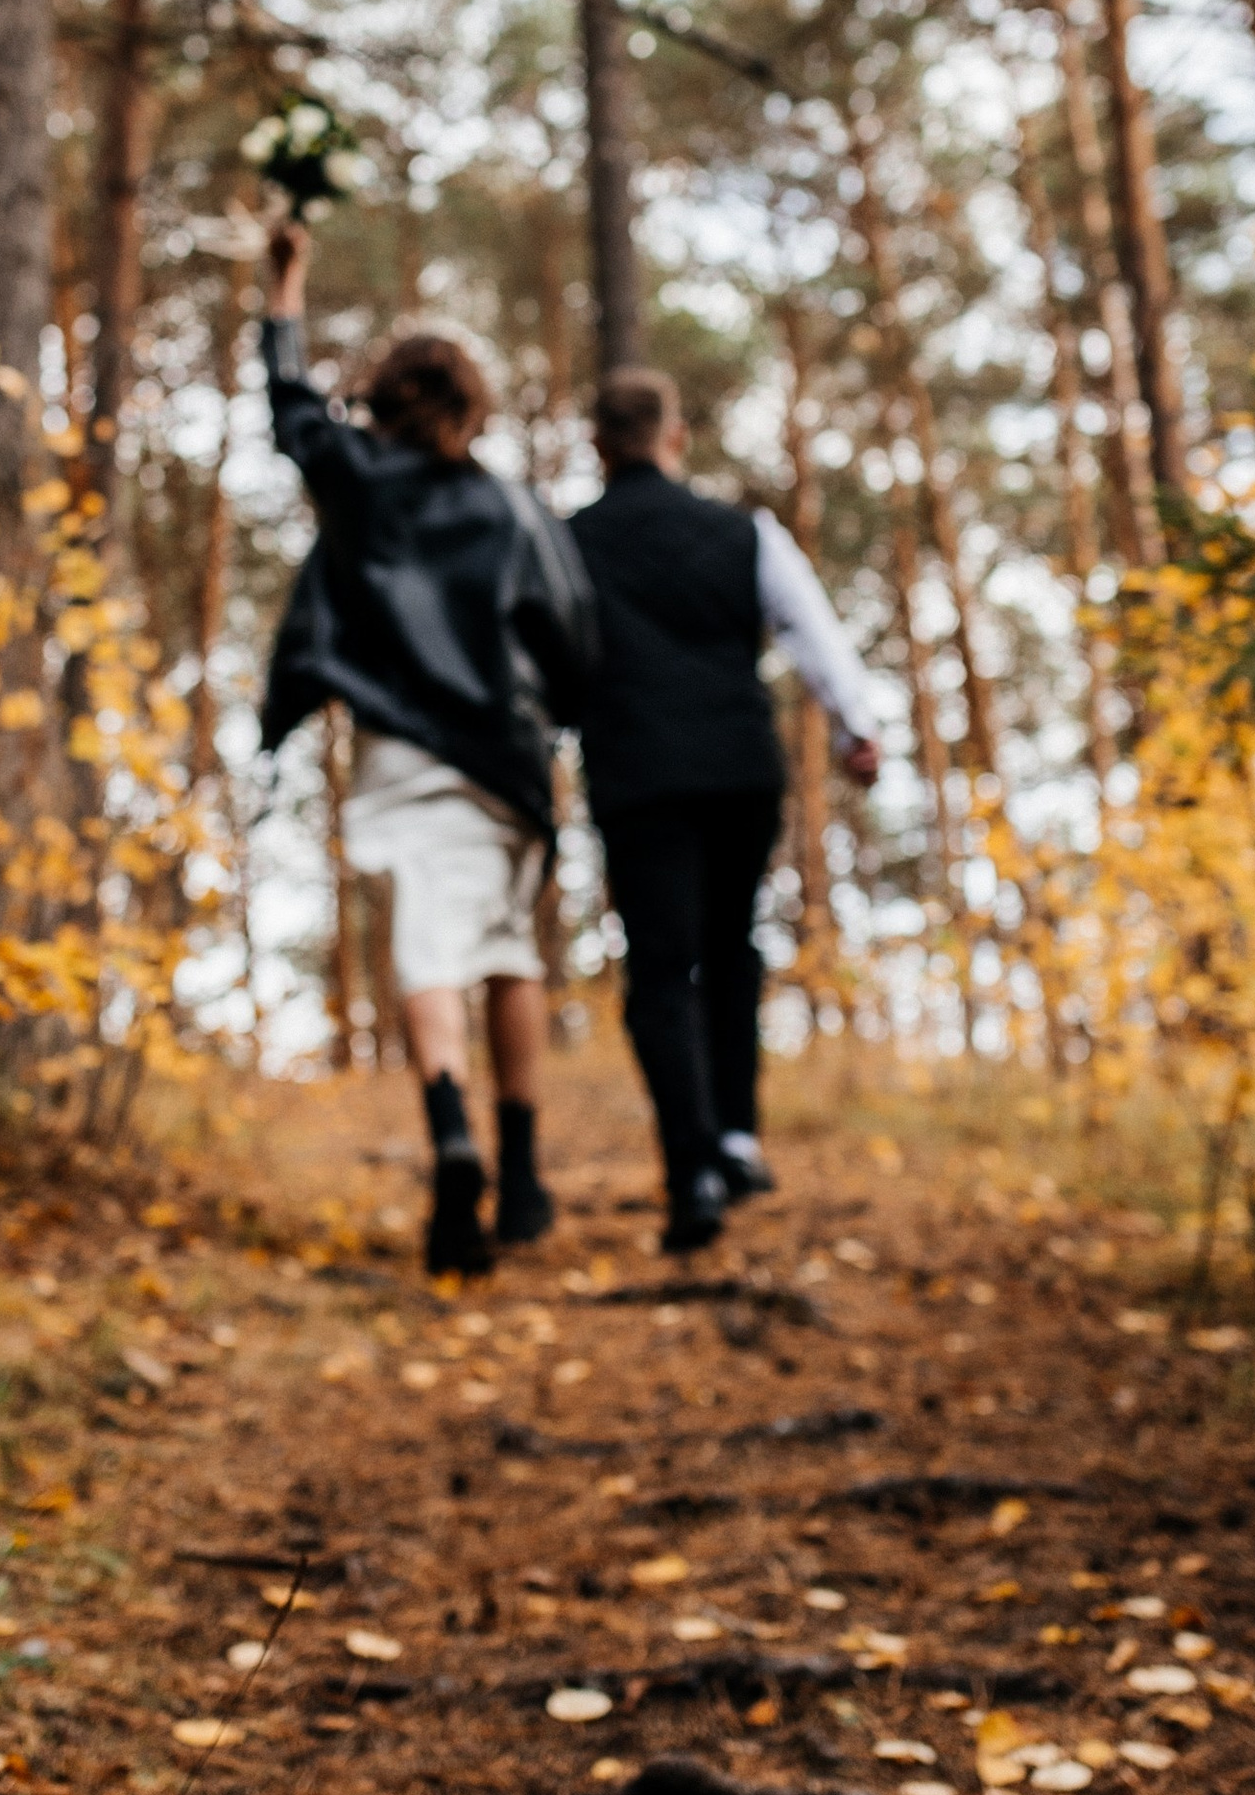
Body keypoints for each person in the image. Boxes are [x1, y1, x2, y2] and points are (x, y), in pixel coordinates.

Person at [258, 215, 595, 1278]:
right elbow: (572, 637)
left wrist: (284, 291)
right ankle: (521, 1172)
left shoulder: (358, 483)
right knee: (506, 948)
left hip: (403, 749)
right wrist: (557, 726)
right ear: (472, 408)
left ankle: (454, 1137)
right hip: (507, 758)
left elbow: (291, 411)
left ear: (383, 400)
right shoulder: (516, 510)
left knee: (426, 947)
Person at [571, 367, 880, 1253]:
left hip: (637, 772)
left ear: (598, 446)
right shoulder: (745, 532)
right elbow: (810, 628)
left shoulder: (567, 541)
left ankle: (693, 1171)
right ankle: (736, 1137)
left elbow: (544, 654)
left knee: (661, 969)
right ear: (675, 438)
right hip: (740, 766)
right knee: (732, 945)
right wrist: (857, 729)